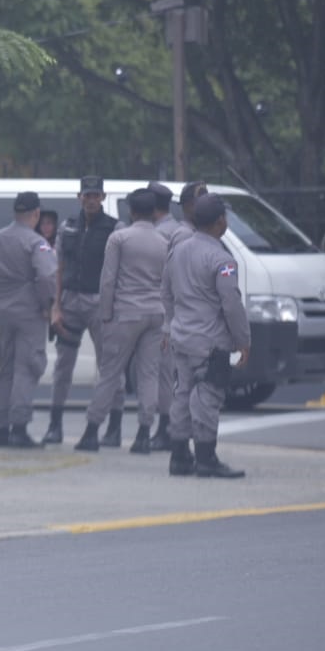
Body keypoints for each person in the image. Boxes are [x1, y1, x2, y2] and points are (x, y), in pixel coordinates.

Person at [163, 194, 250, 478]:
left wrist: (172, 324)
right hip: (209, 341)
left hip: (181, 336)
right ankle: (206, 458)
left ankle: (178, 456)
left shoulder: (178, 251)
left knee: (182, 394)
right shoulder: (221, 259)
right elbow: (231, 304)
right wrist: (242, 341)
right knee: (207, 397)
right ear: (219, 222)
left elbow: (166, 292)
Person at [73, 188, 167, 454]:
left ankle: (92, 430)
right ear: (153, 211)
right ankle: (143, 434)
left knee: (110, 373)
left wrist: (105, 314)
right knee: (149, 374)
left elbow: (108, 279)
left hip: (125, 312)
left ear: (132, 211)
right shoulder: (163, 242)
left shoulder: (120, 238)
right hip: (155, 313)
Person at [46, 175, 123, 446]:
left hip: (99, 302)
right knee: (63, 365)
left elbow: (118, 270)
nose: (90, 200)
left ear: (102, 197)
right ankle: (54, 424)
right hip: (70, 301)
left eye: (95, 195)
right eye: (86, 195)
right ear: (79, 197)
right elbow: (59, 267)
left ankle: (114, 426)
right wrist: (56, 306)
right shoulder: (67, 227)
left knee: (109, 364)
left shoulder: (115, 228)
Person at [0, 191, 56, 448]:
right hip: (29, 312)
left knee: (6, 368)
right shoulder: (36, 242)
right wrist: (48, 305)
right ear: (36, 214)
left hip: (1, 312)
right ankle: (19, 427)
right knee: (27, 368)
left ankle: (0, 428)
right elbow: (47, 277)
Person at [147, 181, 181, 451]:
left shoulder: (160, 234)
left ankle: (166, 430)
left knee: (162, 373)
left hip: (161, 309)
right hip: (175, 309)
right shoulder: (178, 230)